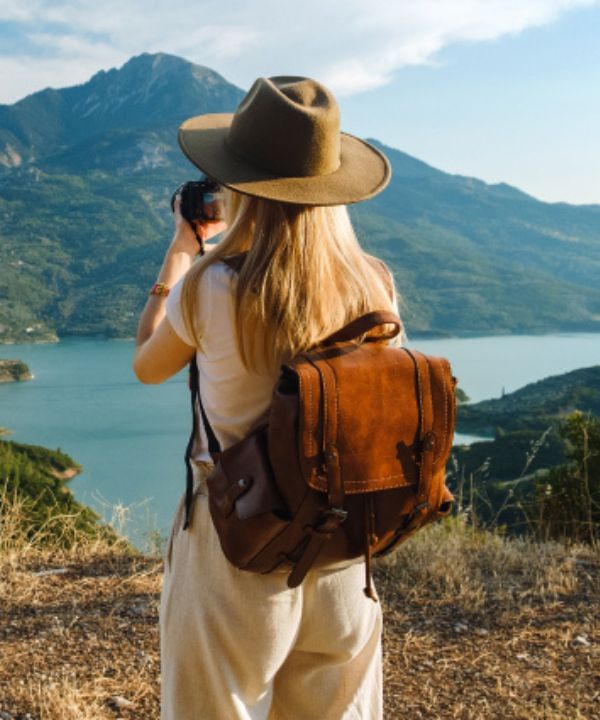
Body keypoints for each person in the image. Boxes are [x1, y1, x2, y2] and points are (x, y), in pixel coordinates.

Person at [132, 76, 398, 719]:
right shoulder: (375, 287)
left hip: (236, 550)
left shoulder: (211, 285)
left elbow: (148, 364)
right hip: (340, 551)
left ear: (238, 186)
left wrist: (179, 255)